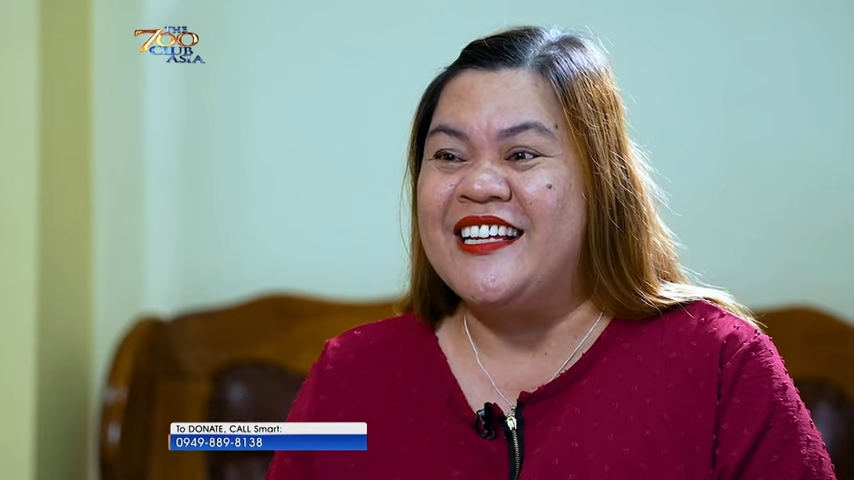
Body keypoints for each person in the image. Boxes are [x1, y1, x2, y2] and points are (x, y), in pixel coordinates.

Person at [265, 25, 836, 479]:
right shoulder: (349, 373)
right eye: (449, 156)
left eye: (521, 154)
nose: (478, 184)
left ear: (601, 182)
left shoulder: (722, 364)